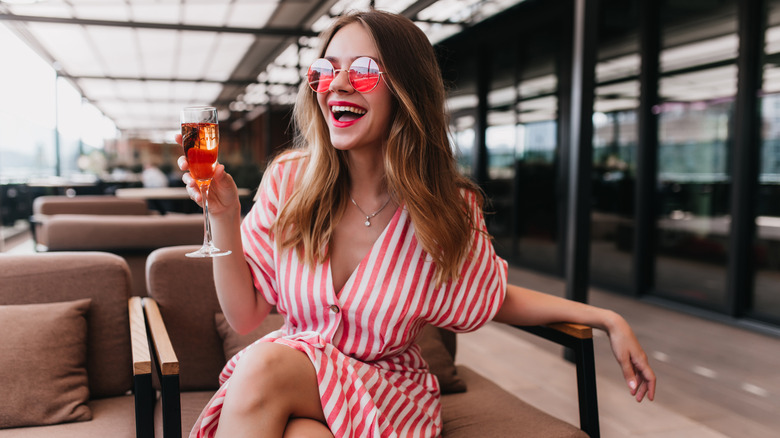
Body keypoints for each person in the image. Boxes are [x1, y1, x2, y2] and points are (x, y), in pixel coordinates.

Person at [178, 10, 656, 438]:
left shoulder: (447, 206)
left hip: (387, 394)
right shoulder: (288, 180)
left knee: (262, 364)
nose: (338, 84)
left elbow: (491, 294)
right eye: (325, 70)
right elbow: (245, 316)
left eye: (363, 71)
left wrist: (604, 317)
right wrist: (223, 217)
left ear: (406, 90)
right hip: (300, 383)